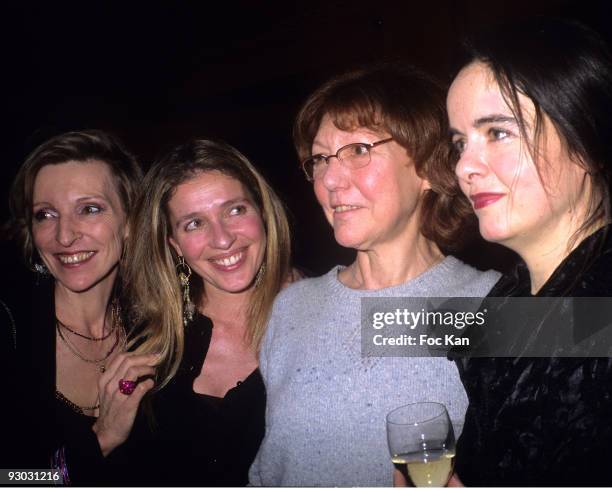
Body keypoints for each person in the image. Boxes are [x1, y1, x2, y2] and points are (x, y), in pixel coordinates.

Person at [248, 63, 500, 487]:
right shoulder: (293, 306)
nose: (329, 179)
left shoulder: (490, 306)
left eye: (359, 150)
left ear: (426, 167)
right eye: (321, 158)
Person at [446, 17, 612, 486]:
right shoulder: (508, 299)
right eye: (460, 142)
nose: (464, 167)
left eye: (497, 132)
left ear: (584, 141)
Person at [125, 138, 296, 485]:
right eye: (194, 223)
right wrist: (102, 437)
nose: (222, 239)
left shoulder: (326, 310)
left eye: (235, 210)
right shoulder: (151, 344)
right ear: (173, 244)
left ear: (262, 211)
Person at [1, 130, 156, 483]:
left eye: (89, 209)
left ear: (131, 222)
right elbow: (9, 478)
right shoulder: (9, 333)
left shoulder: (154, 325)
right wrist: (101, 438)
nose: (64, 236)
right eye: (45, 214)